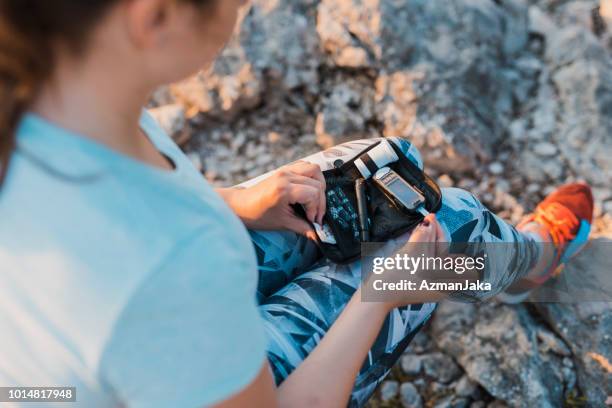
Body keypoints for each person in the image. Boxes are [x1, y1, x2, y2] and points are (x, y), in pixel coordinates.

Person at [0, 1, 593, 407]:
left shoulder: (46, 93)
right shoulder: (167, 268)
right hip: (204, 371)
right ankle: (530, 263)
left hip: (86, 371)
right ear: (152, 17)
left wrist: (236, 202)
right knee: (450, 222)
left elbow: (138, 198)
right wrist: (378, 293)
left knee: (375, 165)